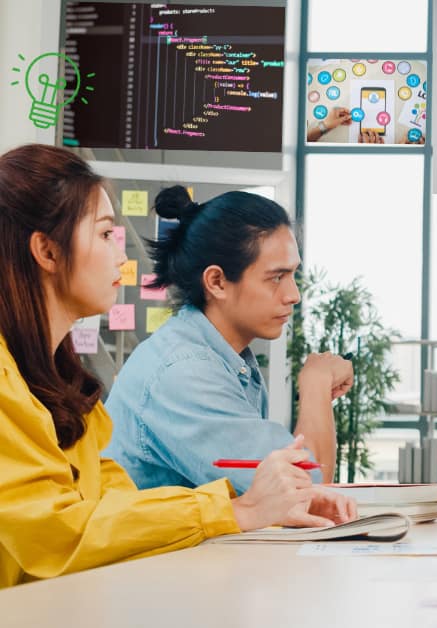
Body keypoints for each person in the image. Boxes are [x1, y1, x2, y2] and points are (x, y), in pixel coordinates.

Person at [0, 144, 355, 588]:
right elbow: (57, 534)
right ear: (47, 252)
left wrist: (238, 506)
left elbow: (110, 501)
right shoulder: (182, 368)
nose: (121, 257)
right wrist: (234, 508)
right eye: (105, 234)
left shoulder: (58, 378)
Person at [103, 186, 352, 492]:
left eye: (293, 275)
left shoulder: (221, 357)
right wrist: (316, 383)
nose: (293, 295)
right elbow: (304, 488)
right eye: (276, 277)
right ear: (217, 282)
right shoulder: (186, 372)